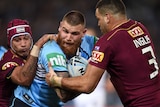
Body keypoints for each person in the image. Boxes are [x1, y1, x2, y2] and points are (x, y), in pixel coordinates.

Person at [46, 0, 160, 107]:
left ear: (107, 18)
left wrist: (56, 80)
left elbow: (87, 85)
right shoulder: (140, 27)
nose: (98, 24)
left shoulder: (107, 42)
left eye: (98, 19)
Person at [10, 10, 98, 107]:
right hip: (28, 103)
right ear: (60, 27)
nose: (68, 37)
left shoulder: (90, 43)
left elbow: (111, 46)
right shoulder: (52, 50)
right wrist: (87, 81)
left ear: (83, 33)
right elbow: (63, 96)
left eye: (74, 33)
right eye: (65, 31)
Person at [0, 19, 52, 107]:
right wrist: (38, 45)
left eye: (26, 38)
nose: (23, 44)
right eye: (17, 40)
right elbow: (24, 79)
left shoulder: (33, 54)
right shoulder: (8, 61)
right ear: (10, 42)